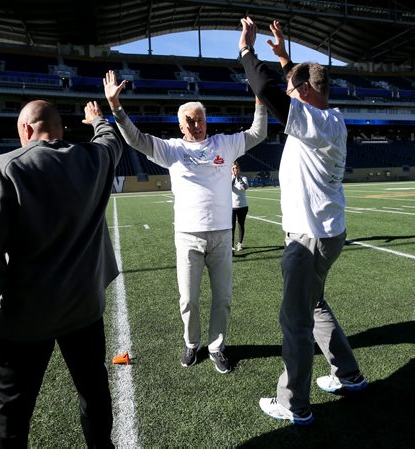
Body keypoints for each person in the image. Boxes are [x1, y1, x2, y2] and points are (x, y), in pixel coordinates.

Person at [0, 99, 122, 447]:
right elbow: (110, 140)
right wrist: (99, 119)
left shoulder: (8, 168)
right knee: (94, 393)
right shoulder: (94, 158)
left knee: (10, 414)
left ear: (25, 129)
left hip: (27, 318)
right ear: (60, 129)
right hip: (85, 309)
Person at [238, 17, 367, 424]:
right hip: (328, 233)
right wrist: (285, 59)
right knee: (315, 306)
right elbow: (295, 88)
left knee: (294, 321)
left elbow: (269, 91)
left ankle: (294, 404)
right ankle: (349, 374)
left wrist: (247, 51)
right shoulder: (331, 117)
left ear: (306, 93)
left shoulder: (313, 121)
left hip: (309, 238)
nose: (290, 92)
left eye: (295, 88)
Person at [104, 70, 267, 374]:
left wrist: (260, 99)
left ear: (207, 121)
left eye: (200, 119)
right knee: (189, 299)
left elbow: (259, 134)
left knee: (223, 298)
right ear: (180, 125)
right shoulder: (172, 149)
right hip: (188, 236)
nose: (195, 124)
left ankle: (217, 346)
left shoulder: (225, 143)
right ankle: (192, 343)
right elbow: (136, 140)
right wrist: (116, 109)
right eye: (189, 121)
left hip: (221, 235)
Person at [231, 161, 249, 252]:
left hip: (243, 206)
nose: (235, 170)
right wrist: (234, 177)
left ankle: (240, 244)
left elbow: (244, 188)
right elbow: (229, 186)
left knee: (241, 225)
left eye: (237, 168)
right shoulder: (228, 178)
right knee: (232, 227)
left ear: (239, 169)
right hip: (231, 206)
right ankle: (231, 245)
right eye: (233, 168)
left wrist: (238, 177)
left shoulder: (243, 178)